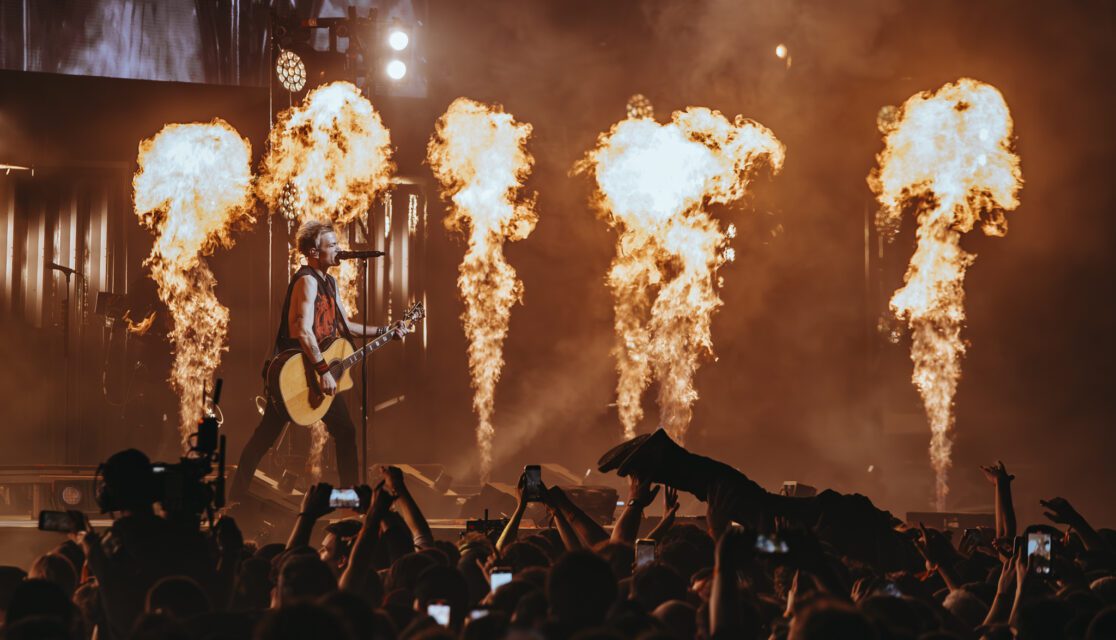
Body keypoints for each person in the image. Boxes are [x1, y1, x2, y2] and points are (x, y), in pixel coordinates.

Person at [230, 220, 405, 503]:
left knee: (345, 432)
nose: (339, 249)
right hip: (297, 374)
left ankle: (349, 501)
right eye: (332, 245)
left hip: (318, 373)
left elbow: (346, 326)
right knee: (266, 437)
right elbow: (301, 329)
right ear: (314, 251)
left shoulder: (329, 283)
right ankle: (235, 498)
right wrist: (323, 369)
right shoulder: (307, 281)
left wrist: (386, 330)